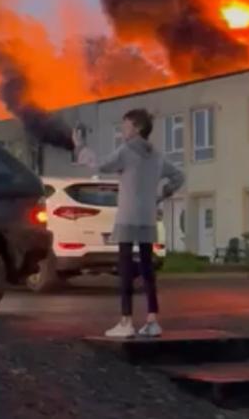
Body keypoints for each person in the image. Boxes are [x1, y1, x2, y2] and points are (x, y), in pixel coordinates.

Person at [74, 109, 184, 338]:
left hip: (127, 216)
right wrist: (162, 194)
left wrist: (81, 147)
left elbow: (101, 165)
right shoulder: (156, 155)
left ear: (137, 128)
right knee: (147, 268)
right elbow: (178, 176)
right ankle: (152, 319)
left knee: (125, 267)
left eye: (125, 126)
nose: (122, 131)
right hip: (148, 217)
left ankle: (126, 321)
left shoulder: (126, 151)